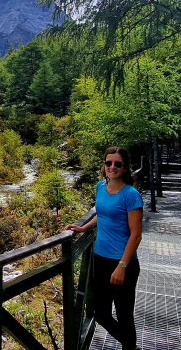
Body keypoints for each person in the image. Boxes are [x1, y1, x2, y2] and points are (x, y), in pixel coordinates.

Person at [65, 146, 143, 350]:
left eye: (118, 164)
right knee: (100, 313)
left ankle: (129, 346)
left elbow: (136, 235)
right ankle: (131, 345)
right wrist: (83, 227)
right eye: (109, 163)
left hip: (122, 263)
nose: (112, 167)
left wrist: (122, 266)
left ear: (125, 168)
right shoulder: (101, 187)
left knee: (124, 315)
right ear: (104, 165)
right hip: (100, 259)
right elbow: (103, 214)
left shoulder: (131, 194)